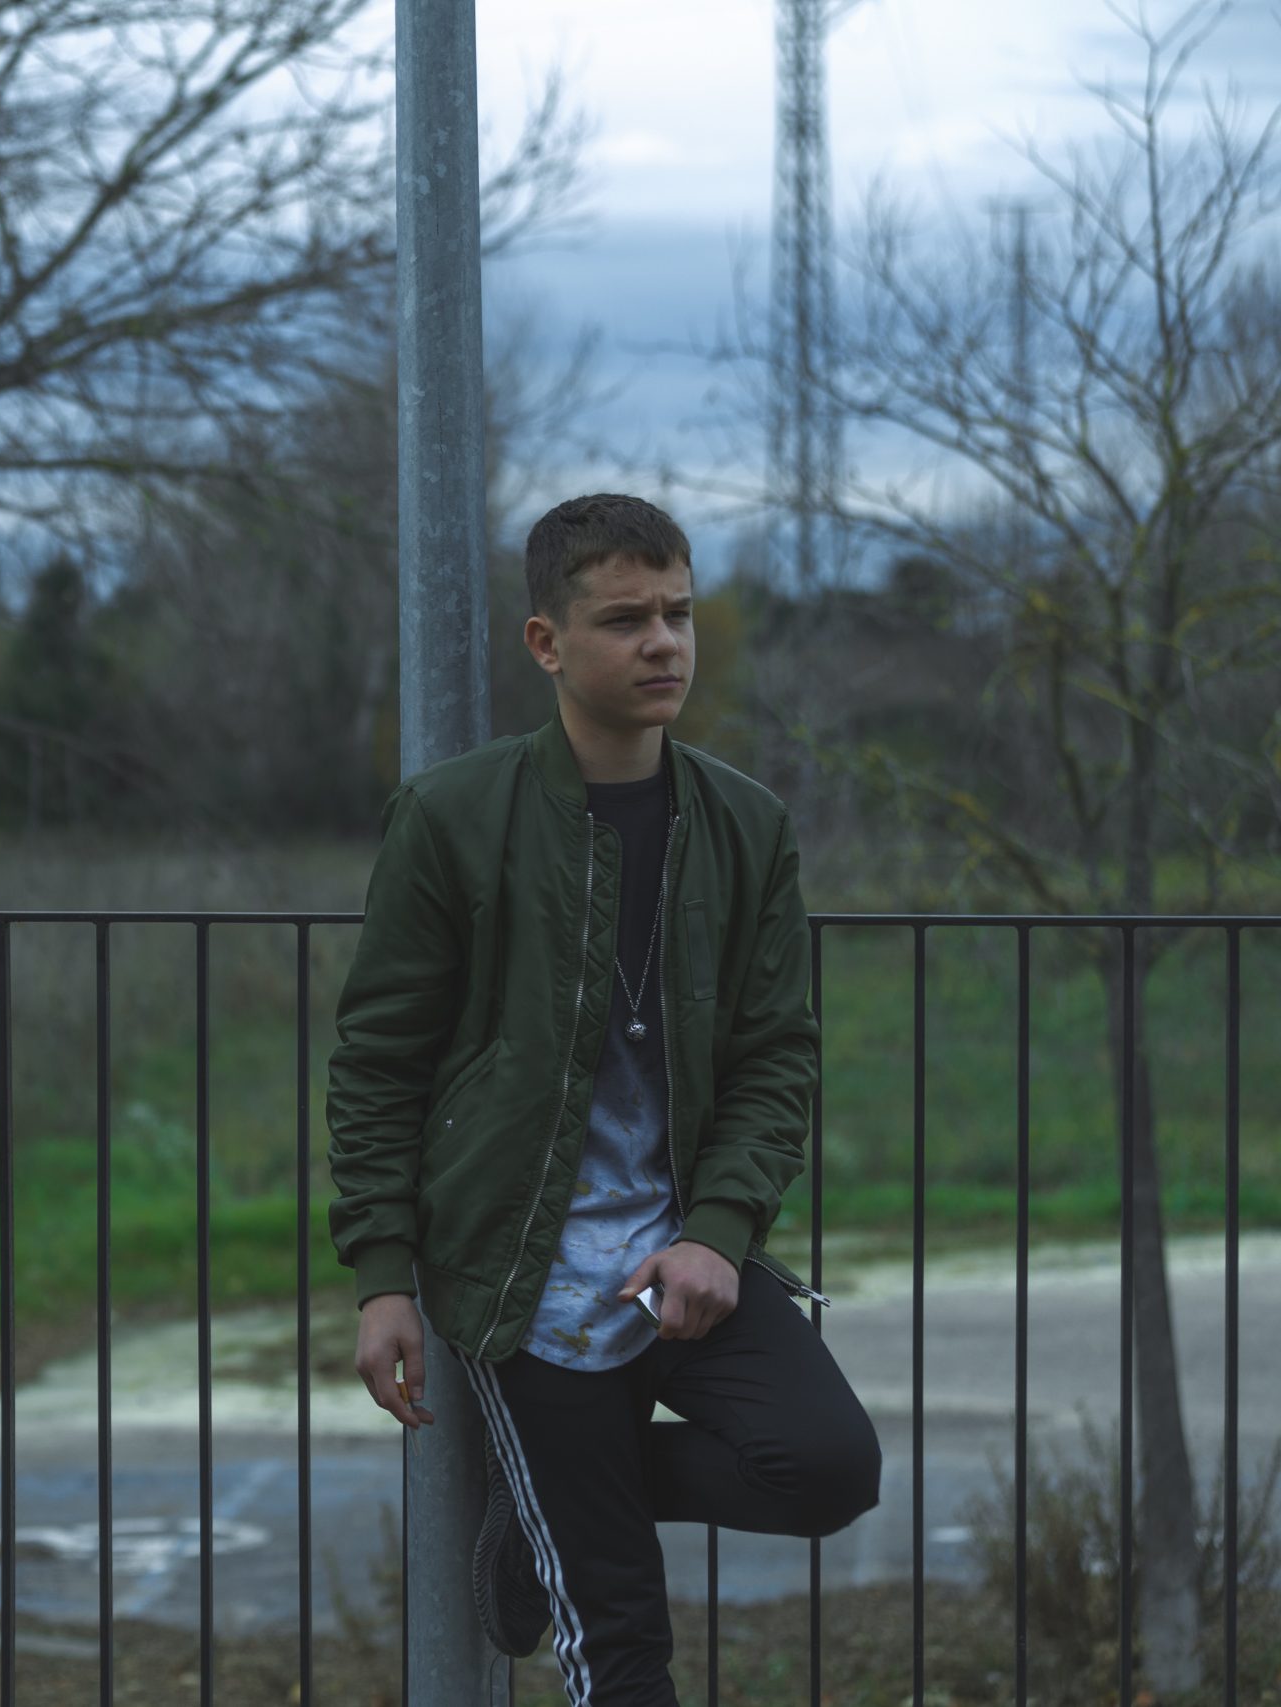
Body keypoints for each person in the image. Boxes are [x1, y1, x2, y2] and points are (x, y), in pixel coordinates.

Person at [326, 494, 884, 1701]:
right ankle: (562, 1504)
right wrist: (382, 1277)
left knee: (827, 1466)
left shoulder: (744, 825)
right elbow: (378, 1061)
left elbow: (776, 1056)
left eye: (677, 614)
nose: (663, 643)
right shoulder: (453, 817)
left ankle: (552, 1499)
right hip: (518, 1272)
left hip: (680, 1252)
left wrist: (717, 1234)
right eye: (626, 619)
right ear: (547, 642)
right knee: (618, 1644)